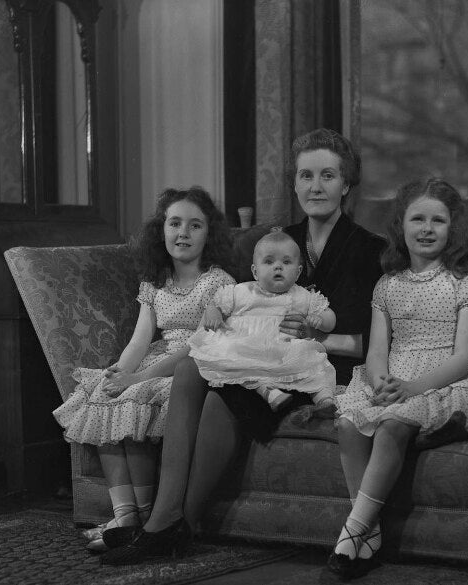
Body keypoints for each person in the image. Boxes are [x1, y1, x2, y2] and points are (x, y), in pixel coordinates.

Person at [100, 128, 385, 565]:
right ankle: (164, 517)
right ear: (294, 183)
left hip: (311, 369)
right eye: (306, 175)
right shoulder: (274, 241)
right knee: (190, 368)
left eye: (328, 175)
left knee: (221, 400)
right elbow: (237, 301)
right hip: (255, 357)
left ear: (346, 184)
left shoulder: (368, 248)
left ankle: (175, 525)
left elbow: (369, 340)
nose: (315, 186)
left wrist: (316, 336)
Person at [327, 178, 468, 580]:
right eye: (417, 218)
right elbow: (378, 351)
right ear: (400, 226)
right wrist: (380, 380)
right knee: (350, 424)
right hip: (396, 374)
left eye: (437, 220)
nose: (426, 228)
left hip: (445, 378)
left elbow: (464, 357)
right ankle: (368, 535)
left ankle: (352, 531)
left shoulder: (464, 281)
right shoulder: (387, 284)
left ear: (452, 228)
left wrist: (412, 389)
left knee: (391, 425)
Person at [52, 186, 235, 551]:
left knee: (134, 395)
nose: (183, 233)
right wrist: (118, 372)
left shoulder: (219, 282)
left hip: (188, 367)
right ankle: (125, 515)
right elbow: (140, 338)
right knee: (103, 396)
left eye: (194, 225)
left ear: (209, 234)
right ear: (161, 230)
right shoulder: (154, 283)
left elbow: (195, 345)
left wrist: (137, 379)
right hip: (156, 357)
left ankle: (150, 517)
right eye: (175, 223)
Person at [188, 229, 337, 411]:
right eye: (269, 261)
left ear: (298, 272)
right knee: (232, 354)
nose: (278, 267)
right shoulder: (242, 291)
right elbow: (216, 302)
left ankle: (325, 400)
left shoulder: (302, 296)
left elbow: (330, 318)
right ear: (255, 271)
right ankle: (268, 391)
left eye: (286, 262)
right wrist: (213, 312)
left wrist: (320, 319)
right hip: (248, 347)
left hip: (284, 350)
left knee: (315, 363)